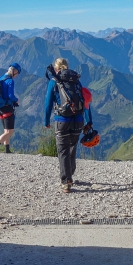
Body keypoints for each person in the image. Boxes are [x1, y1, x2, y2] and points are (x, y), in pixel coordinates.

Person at [44, 58, 90, 192]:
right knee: (72, 147)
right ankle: (70, 174)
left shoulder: (54, 81)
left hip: (62, 121)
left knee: (63, 150)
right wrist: (88, 121)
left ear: (56, 68)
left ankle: (66, 181)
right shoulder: (76, 81)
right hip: (78, 121)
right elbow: (85, 102)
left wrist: (46, 121)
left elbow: (48, 103)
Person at [0, 63, 21, 154]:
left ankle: (7, 150)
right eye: (17, 73)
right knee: (10, 131)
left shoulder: (2, 78)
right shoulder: (10, 81)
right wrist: (17, 100)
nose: (17, 75)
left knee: (6, 130)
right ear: (14, 71)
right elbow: (10, 95)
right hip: (7, 108)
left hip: (0, 108)